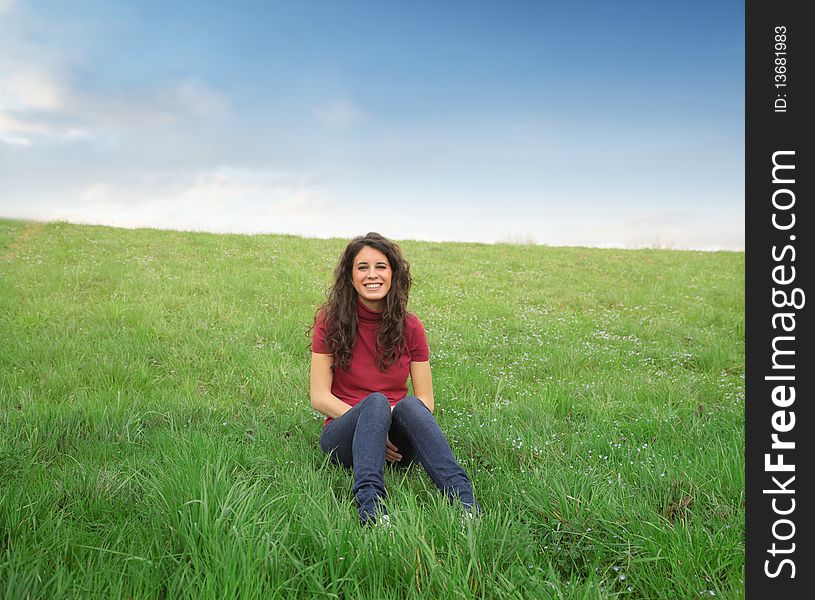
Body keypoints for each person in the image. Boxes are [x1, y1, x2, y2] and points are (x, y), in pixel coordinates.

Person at [309, 232, 478, 526]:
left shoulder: (411, 326)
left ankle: (464, 503)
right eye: (362, 267)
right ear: (350, 277)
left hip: (397, 443)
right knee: (374, 403)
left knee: (411, 406)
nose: (371, 275)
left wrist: (385, 424)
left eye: (381, 267)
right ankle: (371, 510)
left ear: (393, 275)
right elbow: (319, 397)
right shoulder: (330, 321)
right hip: (343, 436)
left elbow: (426, 399)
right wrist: (372, 425)